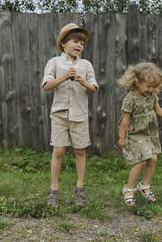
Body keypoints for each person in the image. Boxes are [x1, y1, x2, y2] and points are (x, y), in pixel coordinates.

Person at [41, 23, 99, 207]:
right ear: (64, 44)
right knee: (58, 151)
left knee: (80, 151)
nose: (79, 45)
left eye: (81, 43)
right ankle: (54, 189)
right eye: (75, 41)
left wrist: (83, 82)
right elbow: (46, 86)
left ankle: (80, 189)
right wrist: (64, 77)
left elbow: (94, 88)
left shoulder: (86, 64)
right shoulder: (54, 62)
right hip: (59, 114)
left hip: (80, 115)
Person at [118, 62, 162, 206]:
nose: (151, 90)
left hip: (149, 133)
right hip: (135, 134)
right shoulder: (130, 99)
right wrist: (121, 137)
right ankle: (129, 189)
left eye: (154, 87)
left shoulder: (151, 97)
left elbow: (158, 110)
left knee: (153, 159)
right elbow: (124, 121)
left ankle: (144, 185)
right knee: (141, 160)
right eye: (148, 86)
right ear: (137, 82)